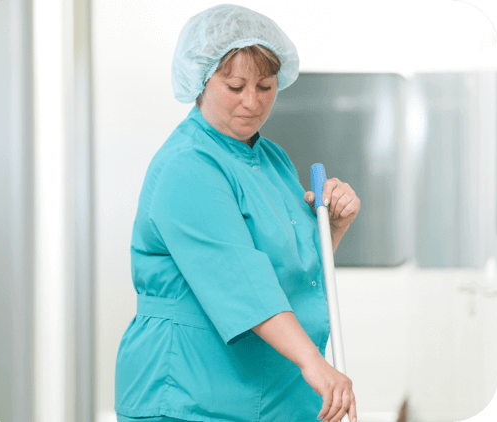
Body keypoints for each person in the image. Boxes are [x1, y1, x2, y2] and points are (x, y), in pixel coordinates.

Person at [115, 4, 360, 422]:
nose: (252, 102)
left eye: (265, 86)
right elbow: (241, 283)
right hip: (191, 395)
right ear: (201, 79)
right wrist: (315, 364)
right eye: (234, 86)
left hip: (272, 394)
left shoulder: (272, 159)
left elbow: (295, 272)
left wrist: (333, 228)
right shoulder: (188, 167)